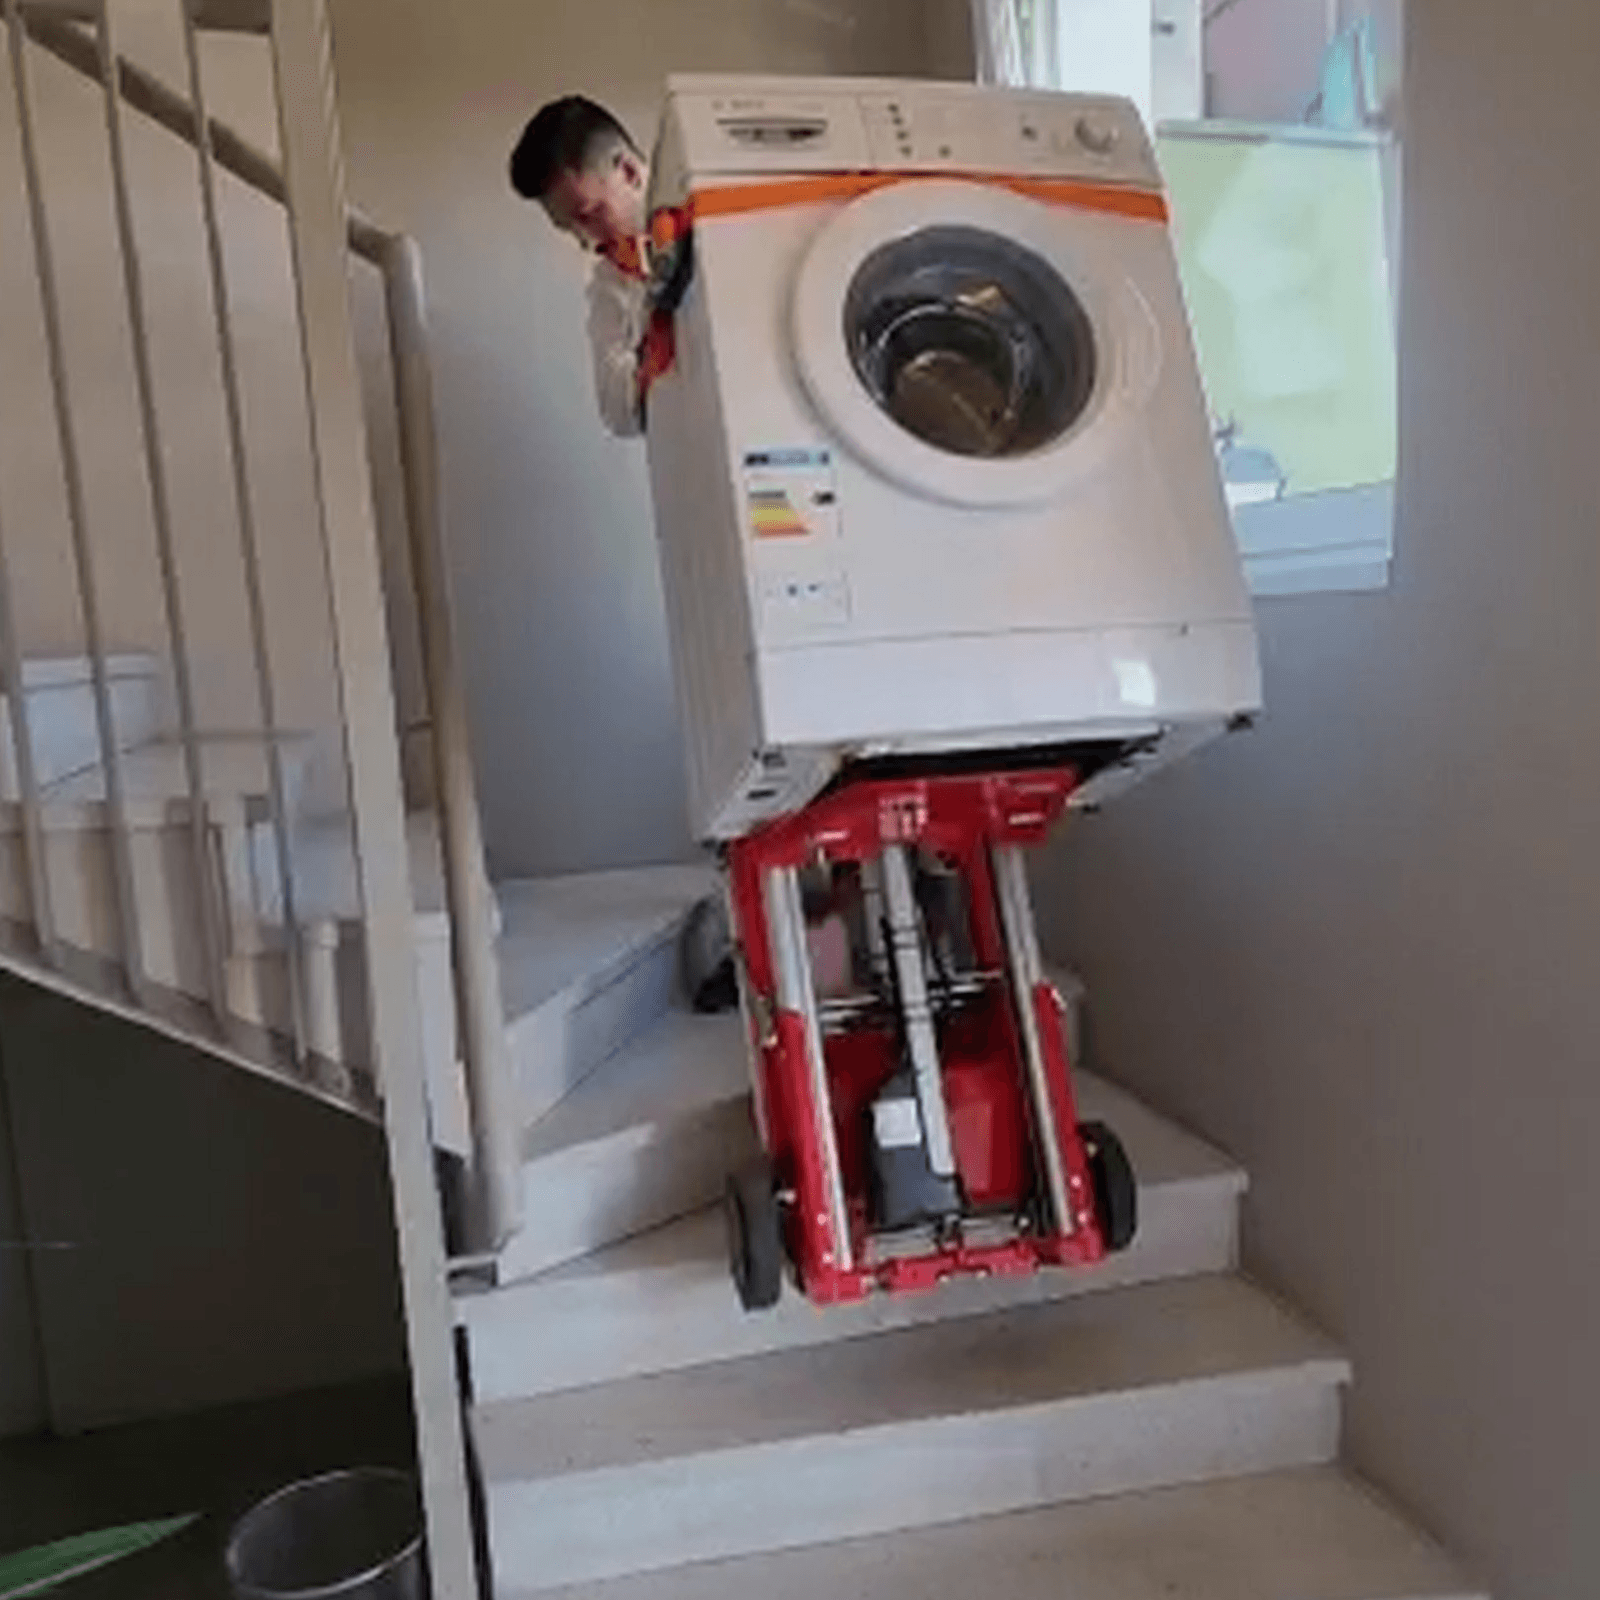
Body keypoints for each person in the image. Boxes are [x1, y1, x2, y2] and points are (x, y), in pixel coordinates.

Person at [509, 95, 660, 437]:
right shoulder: (611, 281)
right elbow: (620, 413)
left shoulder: (720, 218)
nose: (586, 242)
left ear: (630, 172)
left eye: (590, 215)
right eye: (568, 228)